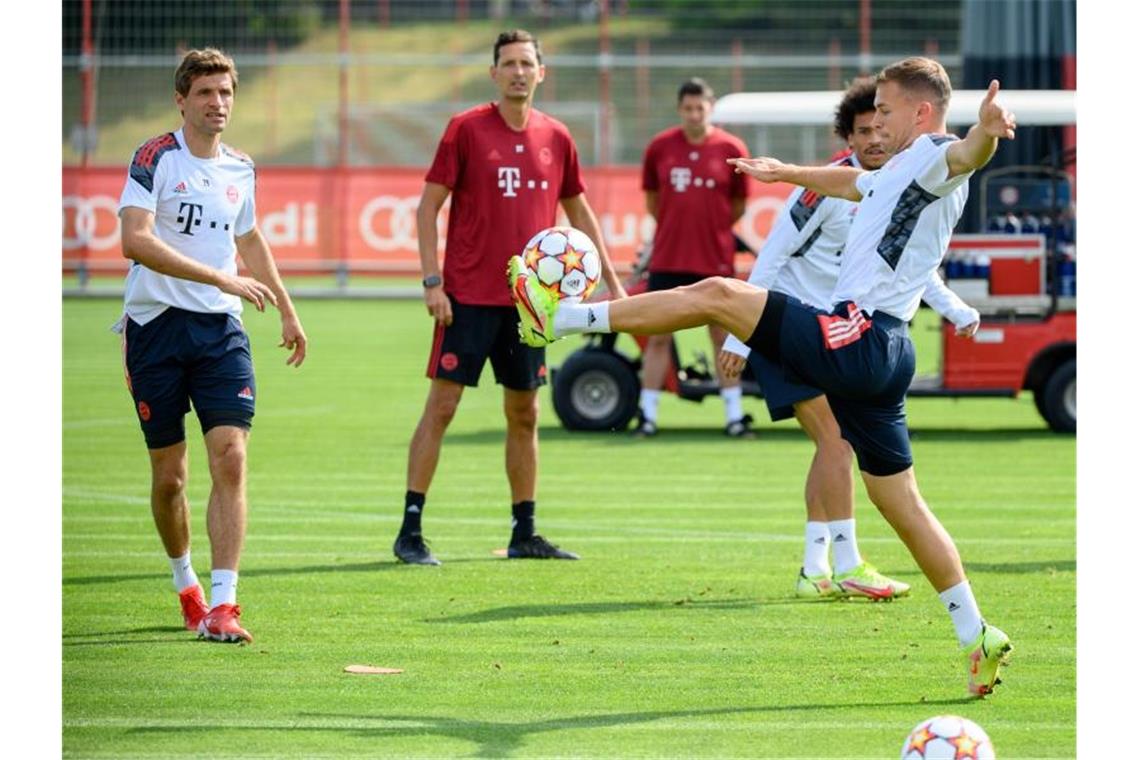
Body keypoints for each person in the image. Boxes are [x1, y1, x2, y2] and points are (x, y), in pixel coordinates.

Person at [510, 58, 1015, 697]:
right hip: (887, 350)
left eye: (885, 111)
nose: (876, 122)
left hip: (858, 335)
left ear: (920, 111)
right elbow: (853, 186)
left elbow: (966, 155)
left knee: (721, 293)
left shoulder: (937, 153)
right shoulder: (894, 170)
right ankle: (976, 633)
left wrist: (988, 132)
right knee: (900, 502)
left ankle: (562, 319)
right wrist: (784, 174)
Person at [718, 77, 981, 601]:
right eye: (864, 131)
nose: (875, 139)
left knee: (835, 442)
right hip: (790, 327)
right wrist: (742, 339)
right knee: (836, 440)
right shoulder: (824, 188)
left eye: (882, 124)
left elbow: (912, 268)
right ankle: (839, 564)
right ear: (849, 137)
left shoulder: (898, 184)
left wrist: (955, 309)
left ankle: (820, 565)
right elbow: (771, 254)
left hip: (842, 333)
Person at [392, 29, 627, 566]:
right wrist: (433, 282)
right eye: (509, 63)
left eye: (527, 63)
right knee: (443, 407)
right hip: (468, 298)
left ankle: (525, 532)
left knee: (525, 413)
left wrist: (613, 283)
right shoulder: (466, 130)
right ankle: (410, 530)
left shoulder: (557, 136)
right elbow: (427, 208)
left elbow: (581, 215)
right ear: (494, 74)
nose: (519, 71)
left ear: (541, 73)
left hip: (531, 308)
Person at [117, 48, 308, 643]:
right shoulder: (155, 157)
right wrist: (220, 276)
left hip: (221, 328)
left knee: (231, 456)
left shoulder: (241, 167)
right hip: (155, 329)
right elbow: (134, 241)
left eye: (226, 93)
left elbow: (248, 238)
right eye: (205, 93)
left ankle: (224, 606)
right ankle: (187, 585)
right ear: (182, 99)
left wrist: (286, 307)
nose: (218, 103)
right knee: (170, 477)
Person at [635, 78, 753, 438]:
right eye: (687, 108)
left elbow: (737, 206)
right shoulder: (660, 147)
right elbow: (654, 201)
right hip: (668, 258)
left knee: (721, 336)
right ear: (679, 109)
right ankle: (647, 416)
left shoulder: (731, 148)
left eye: (700, 108)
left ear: (711, 107)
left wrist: (710, 231)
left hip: (714, 261)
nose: (694, 115)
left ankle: (734, 417)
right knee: (658, 338)